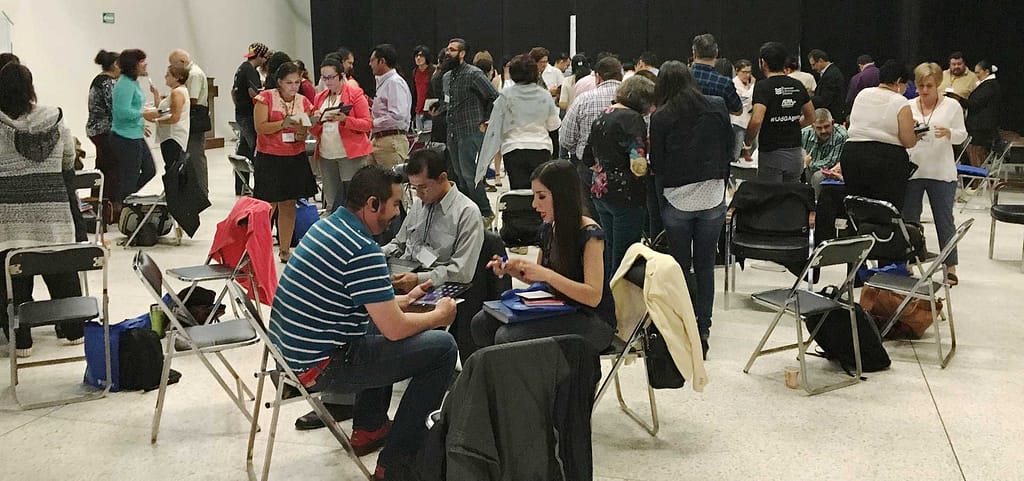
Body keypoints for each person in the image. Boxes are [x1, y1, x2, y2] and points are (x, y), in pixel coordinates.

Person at [267, 165, 458, 480]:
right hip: (321, 367)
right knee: (442, 348)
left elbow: (360, 302)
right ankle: (397, 464)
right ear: (372, 204)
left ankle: (369, 427)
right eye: (395, 204)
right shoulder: (362, 249)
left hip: (289, 357)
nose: (397, 213)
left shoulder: (327, 227)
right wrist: (438, 316)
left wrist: (405, 301)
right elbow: (394, 328)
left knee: (380, 325)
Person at [471, 160, 616, 353]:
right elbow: (543, 282)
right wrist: (515, 271)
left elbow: (592, 296)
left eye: (541, 197)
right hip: (559, 307)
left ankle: (524, 381)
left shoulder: (590, 235)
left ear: (562, 196)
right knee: (481, 324)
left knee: (508, 337)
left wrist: (546, 275)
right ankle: (499, 379)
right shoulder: (549, 228)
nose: (534, 204)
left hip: (591, 319)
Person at [649, 61, 733, 359]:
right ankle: (704, 327)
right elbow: (730, 146)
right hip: (712, 195)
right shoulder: (717, 105)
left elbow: (657, 165)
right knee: (707, 265)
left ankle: (682, 323)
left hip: (677, 197)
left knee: (680, 266)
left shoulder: (660, 117)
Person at [0, 63, 85, 357]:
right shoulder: (55, 121)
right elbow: (69, 162)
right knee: (62, 272)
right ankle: (74, 331)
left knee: (13, 280)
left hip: (9, 226)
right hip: (55, 219)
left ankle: (21, 340)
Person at [383, 148, 484, 292]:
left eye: (423, 187)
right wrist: (375, 253)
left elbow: (461, 272)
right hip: (406, 272)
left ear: (442, 178)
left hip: (436, 285)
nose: (418, 194)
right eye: (414, 188)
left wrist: (418, 279)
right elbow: (399, 244)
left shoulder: (466, 212)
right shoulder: (419, 204)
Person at [585, 75, 654, 279]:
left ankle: (605, 296)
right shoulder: (633, 119)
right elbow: (638, 165)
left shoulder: (603, 115)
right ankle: (619, 303)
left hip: (600, 190)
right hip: (626, 195)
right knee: (625, 256)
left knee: (608, 250)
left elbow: (587, 156)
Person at [905, 62, 968, 285]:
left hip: (942, 171)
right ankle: (908, 263)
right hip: (914, 169)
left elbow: (962, 135)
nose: (924, 90)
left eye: (929, 86)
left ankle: (949, 266)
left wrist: (949, 133)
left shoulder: (952, 106)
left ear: (938, 84)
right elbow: (901, 136)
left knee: (944, 221)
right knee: (909, 221)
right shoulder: (909, 105)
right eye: (920, 85)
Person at [252, 61, 317, 263]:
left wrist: (301, 131)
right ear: (279, 82)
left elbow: (306, 129)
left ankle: (285, 249)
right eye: (289, 82)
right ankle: (257, 248)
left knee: (289, 204)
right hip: (270, 157)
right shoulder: (265, 98)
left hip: (294, 156)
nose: (294, 86)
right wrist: (283, 123)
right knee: (266, 206)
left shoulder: (303, 102)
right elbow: (260, 127)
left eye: (297, 82)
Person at [839, 60, 922, 211]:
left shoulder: (863, 94)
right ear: (898, 82)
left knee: (858, 205)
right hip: (885, 159)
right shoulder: (900, 101)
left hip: (852, 154)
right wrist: (917, 134)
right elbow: (907, 141)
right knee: (886, 209)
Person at [478, 54, 561, 190]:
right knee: (540, 191)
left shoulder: (505, 96)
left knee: (518, 192)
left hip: (513, 150)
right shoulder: (544, 95)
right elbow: (553, 127)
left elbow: (495, 128)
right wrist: (556, 158)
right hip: (541, 148)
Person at [441, 37, 498, 223]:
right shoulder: (446, 77)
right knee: (458, 175)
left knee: (470, 174)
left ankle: (485, 212)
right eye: (447, 49)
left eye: (452, 50)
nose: (447, 52)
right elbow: (449, 101)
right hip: (452, 132)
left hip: (470, 130)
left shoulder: (474, 74)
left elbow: (494, 96)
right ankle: (468, 213)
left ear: (462, 53)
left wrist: (486, 120)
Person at [559, 55, 624, 218]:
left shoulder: (583, 100)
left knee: (592, 220)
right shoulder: (633, 99)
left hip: (589, 168)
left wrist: (579, 150)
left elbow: (565, 138)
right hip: (626, 171)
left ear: (598, 77)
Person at [744, 42, 814, 183]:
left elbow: (757, 119)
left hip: (771, 152)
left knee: (771, 198)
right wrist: (791, 124)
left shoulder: (763, 87)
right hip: (795, 152)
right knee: (790, 196)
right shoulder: (797, 85)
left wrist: (747, 141)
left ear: (762, 63)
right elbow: (811, 116)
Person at [310, 56, 373, 213]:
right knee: (332, 201)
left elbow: (367, 124)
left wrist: (346, 120)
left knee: (353, 199)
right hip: (326, 154)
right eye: (324, 77)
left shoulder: (354, 93)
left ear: (340, 75)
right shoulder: (320, 97)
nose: (327, 81)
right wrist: (315, 121)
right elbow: (313, 130)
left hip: (349, 154)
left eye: (331, 77)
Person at [111, 48, 160, 202]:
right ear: (134, 65)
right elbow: (121, 112)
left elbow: (134, 107)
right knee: (130, 177)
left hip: (135, 134)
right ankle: (125, 204)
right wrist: (143, 114)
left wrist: (144, 112)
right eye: (141, 62)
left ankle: (128, 199)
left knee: (149, 170)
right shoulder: (125, 84)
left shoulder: (133, 83)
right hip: (125, 137)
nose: (145, 65)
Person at [169, 49, 210, 197]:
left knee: (196, 155)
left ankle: (202, 192)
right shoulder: (191, 73)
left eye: (173, 65)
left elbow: (191, 99)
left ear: (182, 62)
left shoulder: (193, 74)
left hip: (196, 117)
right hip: (194, 116)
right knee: (190, 155)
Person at [86, 49, 121, 217]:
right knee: (112, 168)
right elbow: (115, 107)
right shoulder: (108, 82)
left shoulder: (98, 81)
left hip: (96, 130)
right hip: (104, 130)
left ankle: (96, 205)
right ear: (115, 65)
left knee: (102, 166)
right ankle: (110, 208)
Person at [232, 42, 269, 195]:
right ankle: (260, 186)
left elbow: (233, 92)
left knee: (244, 149)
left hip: (240, 114)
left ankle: (240, 186)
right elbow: (253, 92)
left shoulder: (241, 68)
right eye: (265, 57)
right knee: (255, 148)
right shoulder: (251, 71)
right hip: (248, 115)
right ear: (260, 56)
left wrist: (238, 107)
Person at [948, 60, 1001, 167]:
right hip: (978, 126)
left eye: (978, 72)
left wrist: (958, 99)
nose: (976, 75)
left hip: (981, 128)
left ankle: (980, 179)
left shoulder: (990, 85)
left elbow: (975, 103)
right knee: (972, 153)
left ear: (986, 72)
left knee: (976, 153)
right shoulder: (986, 84)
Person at [368, 44, 412, 168]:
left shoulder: (394, 82)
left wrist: (373, 122)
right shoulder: (384, 82)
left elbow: (397, 115)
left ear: (382, 61)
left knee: (391, 183)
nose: (370, 64)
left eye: (372, 61)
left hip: (391, 140)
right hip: (379, 139)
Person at [690, 34, 742, 114]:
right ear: (716, 53)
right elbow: (738, 110)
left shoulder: (680, 78)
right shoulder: (724, 83)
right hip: (715, 125)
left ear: (694, 53)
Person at [800, 108, 848, 195]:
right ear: (813, 126)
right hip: (807, 168)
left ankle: (816, 205)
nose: (823, 131)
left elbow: (830, 162)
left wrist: (805, 164)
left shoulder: (841, 135)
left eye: (826, 126)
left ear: (832, 123)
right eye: (819, 128)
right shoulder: (803, 134)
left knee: (818, 177)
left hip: (832, 171)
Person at [153, 65, 191, 169]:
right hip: (170, 137)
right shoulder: (178, 91)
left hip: (173, 137)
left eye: (168, 75)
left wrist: (156, 121)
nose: (165, 77)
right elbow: (162, 108)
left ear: (177, 77)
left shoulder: (177, 93)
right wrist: (156, 94)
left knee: (173, 170)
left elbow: (174, 117)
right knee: (172, 167)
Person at [808, 49, 847, 123]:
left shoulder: (830, 75)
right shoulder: (831, 72)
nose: (813, 68)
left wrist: (807, 98)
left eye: (813, 64)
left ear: (820, 61)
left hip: (832, 117)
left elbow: (825, 99)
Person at [730, 59, 755, 160]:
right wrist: (753, 86)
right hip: (738, 123)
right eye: (744, 72)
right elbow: (745, 100)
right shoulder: (734, 84)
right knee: (736, 152)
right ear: (737, 71)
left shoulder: (748, 85)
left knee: (753, 149)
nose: (747, 75)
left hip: (749, 122)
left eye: (749, 72)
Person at [411, 45, 435, 132]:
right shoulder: (415, 72)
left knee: (430, 139)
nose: (418, 58)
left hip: (430, 111)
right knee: (420, 141)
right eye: (416, 56)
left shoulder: (433, 71)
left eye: (421, 56)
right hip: (418, 111)